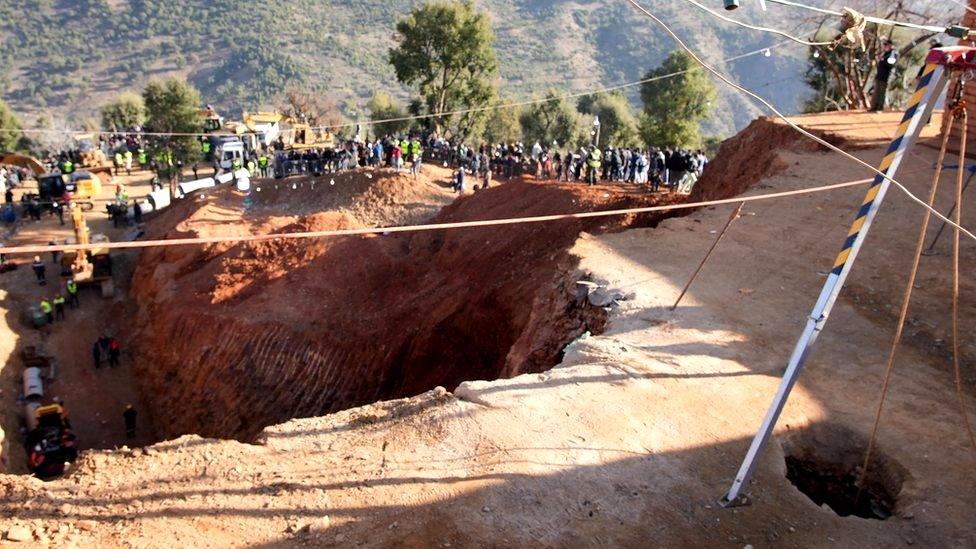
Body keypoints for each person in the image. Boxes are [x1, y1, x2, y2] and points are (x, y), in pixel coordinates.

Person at [871, 40, 899, 112]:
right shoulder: (885, 53)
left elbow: (891, 64)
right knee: (876, 91)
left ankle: (880, 108)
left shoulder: (893, 53)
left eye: (887, 45)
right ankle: (874, 107)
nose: (885, 46)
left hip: (886, 76)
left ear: (890, 45)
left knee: (882, 92)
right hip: (880, 75)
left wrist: (883, 60)